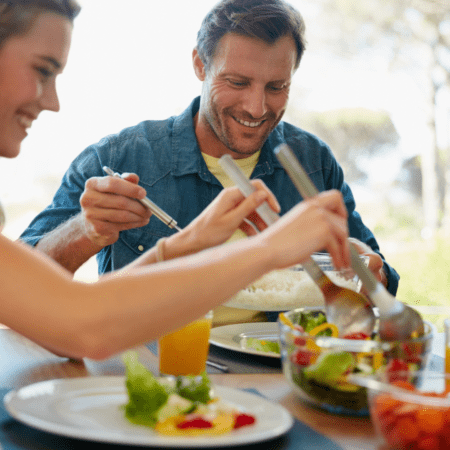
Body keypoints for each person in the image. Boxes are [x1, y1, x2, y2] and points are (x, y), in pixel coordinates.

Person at [0, 0, 352, 360]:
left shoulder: (314, 161)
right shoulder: (118, 155)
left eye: (276, 87)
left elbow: (80, 317)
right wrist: (267, 250)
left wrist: (185, 244)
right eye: (43, 70)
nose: (255, 107)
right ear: (201, 64)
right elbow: (83, 325)